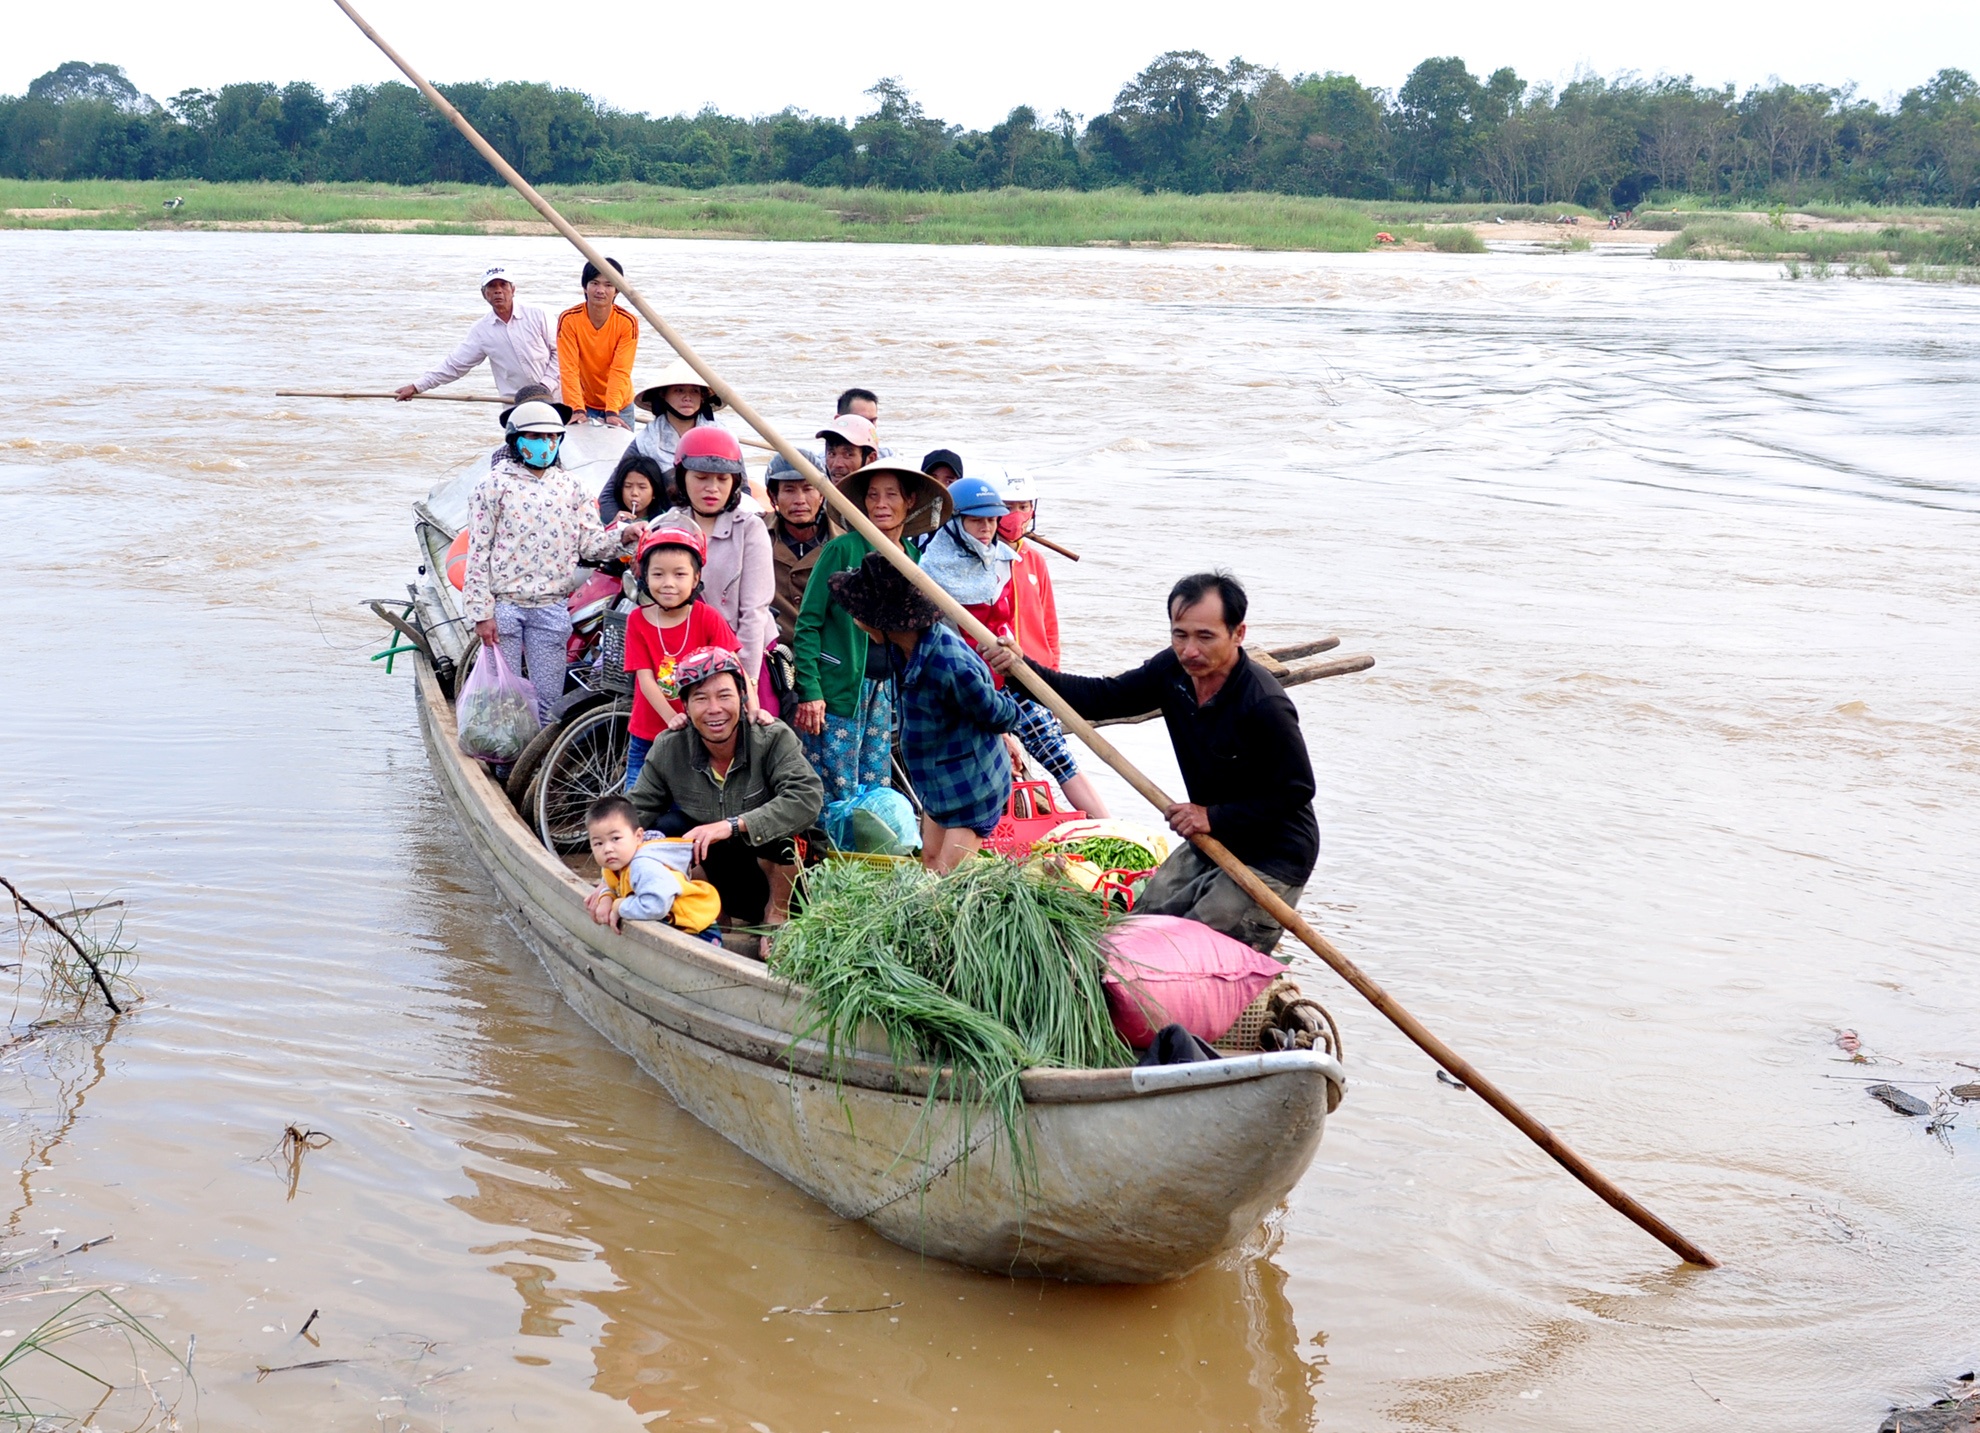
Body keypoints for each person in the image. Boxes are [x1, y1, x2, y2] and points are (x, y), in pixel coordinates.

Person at [986, 571, 1316, 953]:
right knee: (1139, 928)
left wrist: (1212, 816)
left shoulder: (1263, 704)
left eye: (1205, 636)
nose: (1190, 650)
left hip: (1272, 854)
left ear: (1238, 634)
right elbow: (1102, 698)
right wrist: (1024, 672)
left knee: (1192, 952)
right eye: (1180, 635)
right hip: (1212, 839)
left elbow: (1296, 790)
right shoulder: (1172, 672)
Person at [921, 477, 1110, 819]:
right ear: (955, 522)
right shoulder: (930, 571)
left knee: (1057, 752)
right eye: (977, 520)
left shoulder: (1004, 559)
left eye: (992, 520)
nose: (987, 528)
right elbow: (944, 646)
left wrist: (1032, 672)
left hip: (1010, 674)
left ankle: (1110, 827)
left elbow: (1017, 625)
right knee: (989, 768)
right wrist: (1002, 727)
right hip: (967, 689)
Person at [830, 554, 1020, 873]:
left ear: (882, 622)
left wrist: (1012, 676)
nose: (855, 620)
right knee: (930, 863)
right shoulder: (900, 648)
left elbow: (1002, 715)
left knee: (948, 878)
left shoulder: (952, 667)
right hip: (937, 780)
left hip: (971, 785)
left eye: (859, 614)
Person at [629, 648, 825, 948]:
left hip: (781, 879)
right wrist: (609, 886)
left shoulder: (772, 738)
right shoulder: (670, 748)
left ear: (743, 698)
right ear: (685, 705)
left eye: (724, 696)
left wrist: (731, 825)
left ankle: (777, 916)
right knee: (668, 827)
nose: (714, 709)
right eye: (700, 698)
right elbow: (632, 815)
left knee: (787, 832)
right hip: (722, 879)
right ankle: (710, 915)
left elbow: (806, 797)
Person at [462, 400, 640, 723]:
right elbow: (478, 554)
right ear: (516, 441)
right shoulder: (492, 487)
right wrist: (481, 613)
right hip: (504, 607)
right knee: (504, 696)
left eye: (551, 438)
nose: (544, 445)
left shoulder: (573, 488)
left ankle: (536, 765)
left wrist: (624, 536)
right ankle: (503, 766)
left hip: (551, 607)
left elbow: (592, 544)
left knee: (548, 699)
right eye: (535, 437)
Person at [791, 460, 952, 801]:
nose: (881, 504)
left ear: (909, 501)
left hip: (885, 691)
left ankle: (866, 851)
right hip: (839, 687)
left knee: (875, 784)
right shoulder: (842, 550)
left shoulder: (913, 559)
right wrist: (811, 689)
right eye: (873, 495)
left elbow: (922, 635)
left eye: (891, 495)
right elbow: (808, 622)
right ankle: (829, 850)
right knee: (835, 786)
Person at [654, 427, 778, 720]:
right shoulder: (664, 527)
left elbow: (754, 611)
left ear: (735, 483)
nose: (712, 488)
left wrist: (745, 681)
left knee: (756, 732)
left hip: (746, 649)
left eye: (723, 479)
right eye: (701, 478)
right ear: (682, 478)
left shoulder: (750, 528)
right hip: (684, 653)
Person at [623, 526, 741, 790]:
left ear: (696, 577)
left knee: (684, 803)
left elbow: (734, 671)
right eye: (658, 574)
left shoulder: (707, 617)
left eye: (679, 574)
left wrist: (753, 709)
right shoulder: (637, 620)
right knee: (636, 800)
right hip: (647, 731)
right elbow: (645, 678)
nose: (668, 583)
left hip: (696, 734)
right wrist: (671, 718)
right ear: (644, 577)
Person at [397, 264, 558, 403]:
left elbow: (563, 353)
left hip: (556, 397)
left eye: (503, 285)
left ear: (513, 290)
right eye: (492, 287)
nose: (498, 291)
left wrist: (544, 386)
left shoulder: (539, 315)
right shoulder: (482, 330)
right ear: (484, 294)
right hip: (515, 403)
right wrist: (417, 386)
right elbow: (454, 365)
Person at [582, 795, 721, 939]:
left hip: (696, 929)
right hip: (672, 926)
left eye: (616, 839)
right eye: (598, 843)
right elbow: (611, 884)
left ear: (638, 836)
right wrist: (606, 898)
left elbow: (655, 906)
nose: (607, 849)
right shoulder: (614, 862)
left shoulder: (644, 866)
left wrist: (619, 906)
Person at [764, 461, 839, 649]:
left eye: (808, 489)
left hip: (828, 653)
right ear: (773, 495)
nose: (800, 500)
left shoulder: (842, 542)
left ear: (821, 494)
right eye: (789, 490)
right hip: (774, 651)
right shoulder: (755, 534)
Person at [557, 257, 638, 427]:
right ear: (585, 287)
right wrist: (576, 409)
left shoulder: (627, 322)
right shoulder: (569, 319)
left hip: (620, 406)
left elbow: (620, 370)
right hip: (584, 404)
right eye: (594, 283)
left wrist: (612, 411)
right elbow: (569, 369)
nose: (600, 290)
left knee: (622, 453)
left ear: (617, 290)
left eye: (608, 285)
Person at [630, 357, 722, 471]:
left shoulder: (722, 435)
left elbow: (743, 486)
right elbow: (615, 484)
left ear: (702, 398)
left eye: (694, 391)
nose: (687, 398)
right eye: (679, 390)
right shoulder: (646, 440)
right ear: (663, 394)